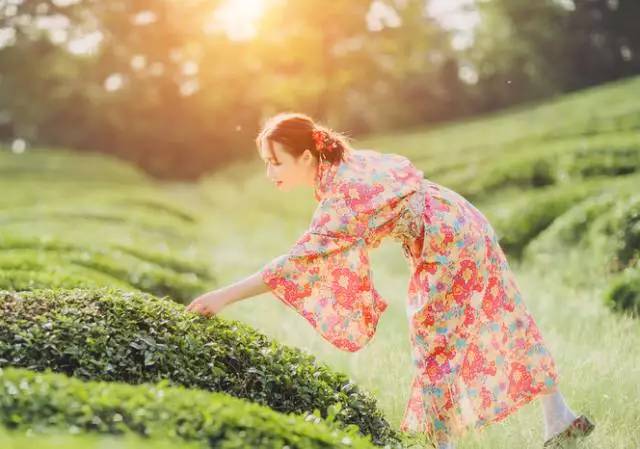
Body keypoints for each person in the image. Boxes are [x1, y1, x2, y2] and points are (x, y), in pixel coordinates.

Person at [186, 112, 595, 449]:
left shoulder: (343, 193)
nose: (268, 172)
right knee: (504, 317)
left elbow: (294, 264)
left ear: (307, 157)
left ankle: (447, 446)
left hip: (446, 241)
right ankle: (559, 417)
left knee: (435, 346)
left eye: (275, 161)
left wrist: (225, 296)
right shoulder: (345, 162)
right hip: (462, 219)